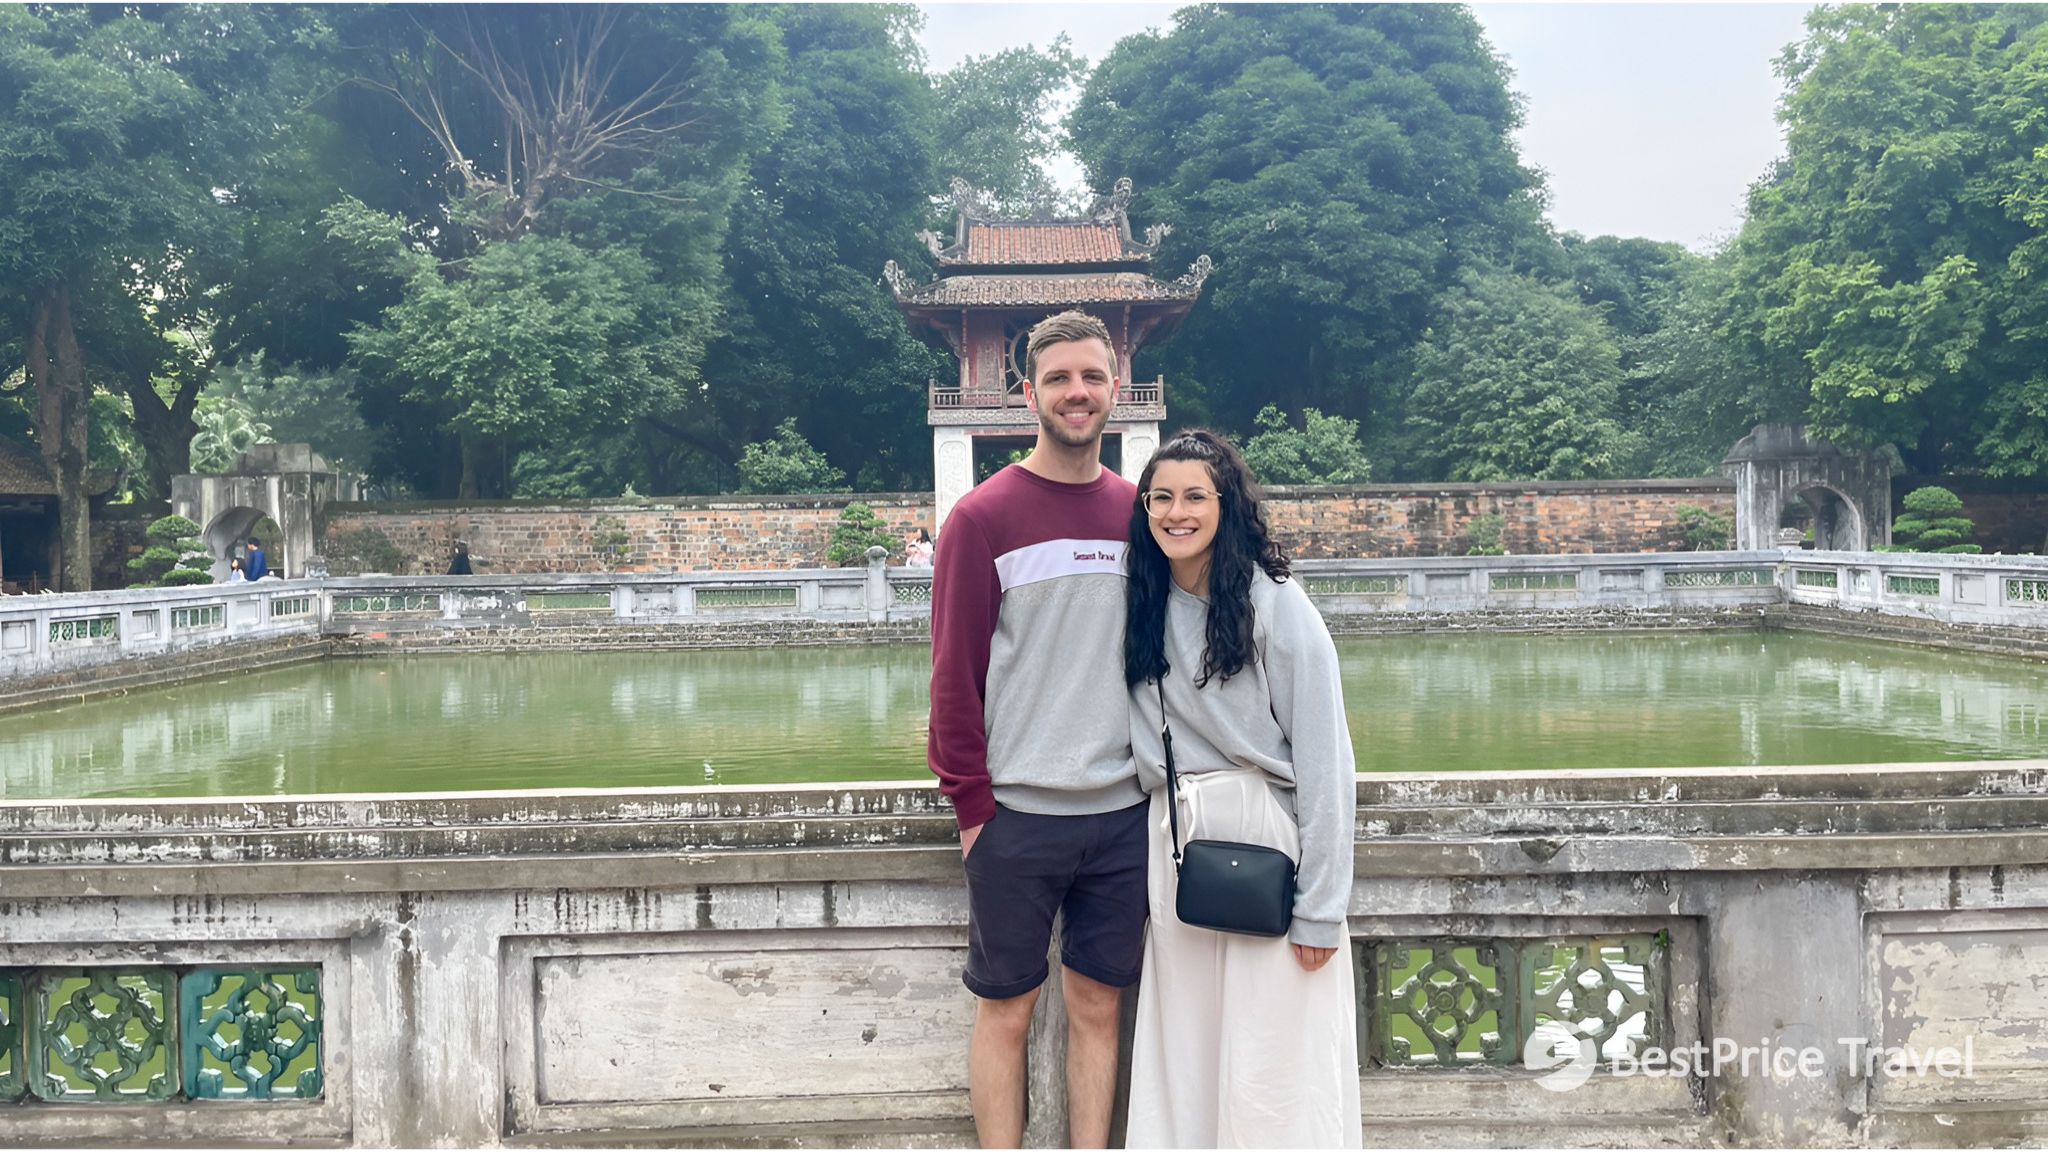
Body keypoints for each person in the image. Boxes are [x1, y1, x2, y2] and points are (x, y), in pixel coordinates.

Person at [928, 310, 1146, 1149]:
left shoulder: (1140, 515)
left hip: (1122, 812)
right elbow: (954, 677)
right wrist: (974, 809)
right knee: (1007, 1009)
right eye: (1059, 378)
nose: (1077, 392)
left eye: (1092, 377)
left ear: (1115, 389)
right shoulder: (983, 518)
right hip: (1017, 814)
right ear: (1029, 395)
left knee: (1098, 1007)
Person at [1122, 429, 1361, 1148]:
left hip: (1264, 838)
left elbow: (1326, 757)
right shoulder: (1141, 600)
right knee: (1185, 1049)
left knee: (1272, 1053)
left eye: (1196, 496)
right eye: (1160, 497)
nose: (1176, 512)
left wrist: (1321, 906)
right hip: (1177, 844)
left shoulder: (1276, 603)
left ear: (1228, 506)